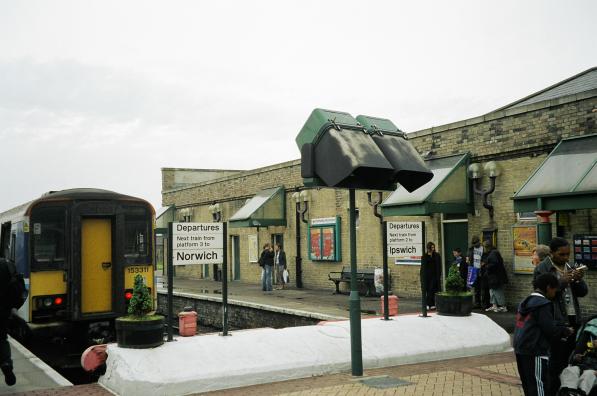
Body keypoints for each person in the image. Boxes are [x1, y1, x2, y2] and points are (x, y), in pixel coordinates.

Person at [534, 237, 588, 393]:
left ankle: (566, 389)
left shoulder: (569, 266)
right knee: (555, 360)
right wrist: (562, 282)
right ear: (551, 253)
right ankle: (552, 390)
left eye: (567, 254)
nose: (565, 258)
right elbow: (540, 293)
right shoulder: (543, 269)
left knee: (571, 358)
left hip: (573, 317)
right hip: (556, 320)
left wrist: (578, 280)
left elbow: (583, 293)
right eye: (561, 254)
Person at [514, 272, 574, 396]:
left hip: (521, 349)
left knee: (528, 385)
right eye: (554, 290)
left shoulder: (525, 301)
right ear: (548, 287)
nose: (555, 293)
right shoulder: (543, 304)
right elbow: (550, 329)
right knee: (538, 386)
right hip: (535, 349)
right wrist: (565, 331)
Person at [559, 315, 597, 396]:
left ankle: (579, 394)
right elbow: (578, 350)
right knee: (570, 370)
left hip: (594, 370)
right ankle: (569, 393)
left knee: (588, 375)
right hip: (584, 362)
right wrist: (576, 357)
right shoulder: (590, 328)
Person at [0, 258, 16, 386]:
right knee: (1, 339)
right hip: (2, 311)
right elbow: (14, 288)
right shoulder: (5, 264)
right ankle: (6, 363)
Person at [484, 240, 509, 312]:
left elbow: (494, 264)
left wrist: (487, 266)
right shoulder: (494, 252)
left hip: (496, 277)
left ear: (487, 247)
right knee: (492, 291)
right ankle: (494, 305)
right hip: (494, 276)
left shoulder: (493, 253)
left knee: (497, 291)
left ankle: (503, 306)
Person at [467, 236, 489, 309]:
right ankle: (477, 303)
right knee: (476, 288)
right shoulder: (471, 249)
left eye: (476, 243)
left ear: (479, 241)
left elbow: (487, 258)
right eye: (474, 244)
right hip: (474, 270)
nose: (475, 245)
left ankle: (484, 304)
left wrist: (484, 263)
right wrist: (468, 261)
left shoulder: (483, 248)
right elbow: (468, 257)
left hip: (482, 270)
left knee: (483, 288)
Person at [421, 242, 441, 310]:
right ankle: (430, 304)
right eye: (431, 247)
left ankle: (428, 303)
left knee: (432, 289)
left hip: (434, 275)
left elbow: (439, 265)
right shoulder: (425, 256)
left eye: (433, 247)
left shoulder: (437, 255)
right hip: (427, 276)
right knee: (428, 290)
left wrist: (439, 274)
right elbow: (423, 267)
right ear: (428, 248)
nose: (433, 249)